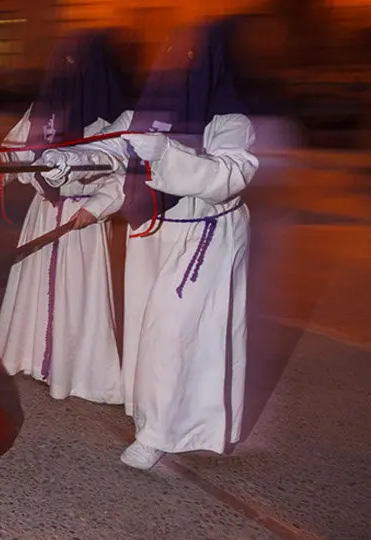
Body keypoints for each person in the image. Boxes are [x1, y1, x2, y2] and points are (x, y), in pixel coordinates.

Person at [114, 22, 259, 470]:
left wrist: (168, 154)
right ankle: (156, 415)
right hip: (157, 231)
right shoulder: (147, 111)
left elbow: (231, 175)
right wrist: (62, 162)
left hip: (205, 236)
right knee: (149, 328)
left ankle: (159, 432)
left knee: (173, 329)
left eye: (191, 56)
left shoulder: (232, 120)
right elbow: (107, 151)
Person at [0, 32, 131, 405]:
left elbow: (123, 176)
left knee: (78, 293)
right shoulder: (43, 109)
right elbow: (17, 150)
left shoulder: (112, 115)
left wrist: (96, 207)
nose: (66, 70)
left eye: (75, 62)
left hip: (80, 217)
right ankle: (32, 356)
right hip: (43, 214)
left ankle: (75, 371)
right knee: (36, 286)